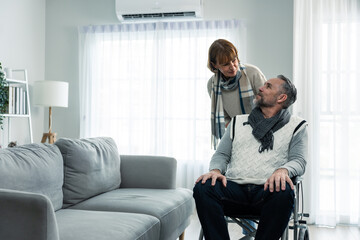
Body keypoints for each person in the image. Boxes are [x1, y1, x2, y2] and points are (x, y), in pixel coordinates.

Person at [194, 75, 308, 240]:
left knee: (285, 191)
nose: (260, 88)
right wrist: (216, 170)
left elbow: (299, 160)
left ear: (281, 98)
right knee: (204, 186)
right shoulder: (237, 122)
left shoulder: (297, 125)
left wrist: (283, 170)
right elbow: (221, 154)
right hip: (233, 189)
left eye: (268, 86)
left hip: (268, 191)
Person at [207, 39, 266, 149]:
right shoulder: (212, 85)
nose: (233, 67)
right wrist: (238, 131)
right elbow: (224, 117)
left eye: (234, 60)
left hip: (263, 132)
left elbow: (269, 105)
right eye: (225, 64)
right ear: (214, 65)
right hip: (237, 137)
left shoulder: (253, 73)